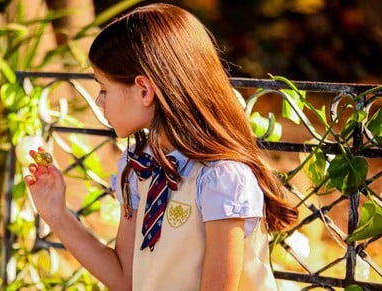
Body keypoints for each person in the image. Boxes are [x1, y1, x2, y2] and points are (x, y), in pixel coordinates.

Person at [24, 3, 299, 291]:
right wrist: (56, 213)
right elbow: (125, 279)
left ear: (144, 90)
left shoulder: (221, 178)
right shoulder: (140, 169)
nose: (99, 101)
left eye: (104, 88)